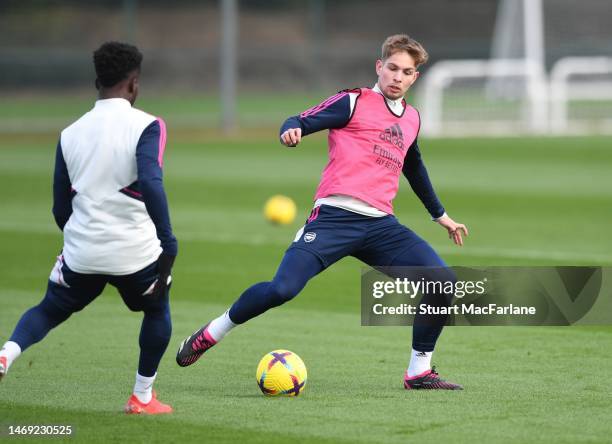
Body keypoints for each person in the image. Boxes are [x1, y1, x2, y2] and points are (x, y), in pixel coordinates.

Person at [176, 34, 468, 390]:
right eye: (392, 68)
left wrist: (441, 215)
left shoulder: (412, 119)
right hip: (333, 219)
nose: (397, 77)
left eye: (406, 72)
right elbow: (298, 118)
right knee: (282, 289)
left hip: (380, 226)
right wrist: (291, 130)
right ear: (380, 66)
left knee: (442, 281)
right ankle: (211, 333)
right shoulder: (353, 102)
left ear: (414, 78)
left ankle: (418, 372)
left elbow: (414, 167)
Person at [0, 42, 178, 412]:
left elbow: (60, 207)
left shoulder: (70, 133)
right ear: (133, 84)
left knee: (49, 309)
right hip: (136, 254)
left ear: (97, 81)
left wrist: (76, 240)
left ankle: (6, 354)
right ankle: (142, 397)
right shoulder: (148, 125)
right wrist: (168, 239)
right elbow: (151, 181)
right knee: (156, 309)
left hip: (83, 252)